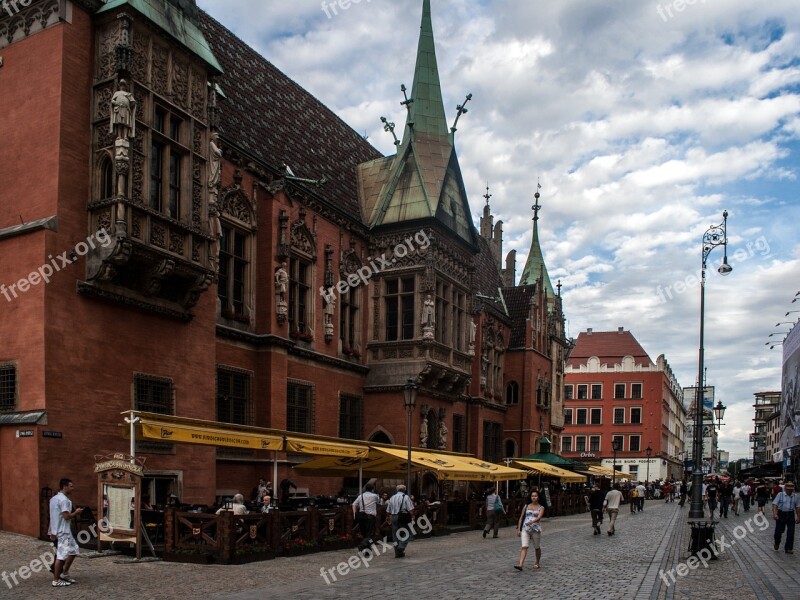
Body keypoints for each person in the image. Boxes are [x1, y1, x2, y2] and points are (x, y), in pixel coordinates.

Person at [48, 478, 83, 587]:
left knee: (74, 550)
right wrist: (76, 512)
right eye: (71, 486)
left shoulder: (53, 499)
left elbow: (53, 516)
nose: (72, 488)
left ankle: (64, 573)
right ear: (65, 486)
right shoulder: (65, 500)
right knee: (61, 556)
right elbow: (66, 516)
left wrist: (51, 531)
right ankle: (56, 580)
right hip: (63, 531)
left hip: (58, 530)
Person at [514, 490, 544, 570]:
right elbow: (521, 518)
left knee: (537, 547)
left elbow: (539, 517)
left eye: (535, 496)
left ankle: (537, 562)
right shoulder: (526, 506)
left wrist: (532, 521)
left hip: (535, 529)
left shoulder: (541, 507)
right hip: (525, 528)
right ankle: (520, 564)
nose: (534, 497)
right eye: (532, 496)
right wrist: (519, 529)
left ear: (538, 497)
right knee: (524, 546)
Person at [385, 484, 415, 558]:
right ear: (404, 490)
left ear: (397, 490)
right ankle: (401, 547)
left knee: (395, 534)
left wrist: (388, 517)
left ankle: (398, 553)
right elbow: (411, 509)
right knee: (408, 532)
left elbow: (388, 510)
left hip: (394, 516)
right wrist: (412, 517)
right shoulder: (406, 497)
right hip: (403, 516)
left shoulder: (392, 498)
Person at [772, 481, 800, 553]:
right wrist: (775, 514)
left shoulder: (795, 496)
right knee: (778, 531)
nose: (790, 491)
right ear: (785, 489)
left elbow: (797, 507)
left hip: (790, 514)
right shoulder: (780, 495)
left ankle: (788, 548)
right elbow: (775, 505)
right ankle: (777, 542)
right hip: (781, 513)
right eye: (788, 489)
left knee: (791, 531)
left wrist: (798, 517)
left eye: (791, 489)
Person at [353, 483, 380, 552]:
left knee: (364, 533)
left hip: (361, 515)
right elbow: (378, 502)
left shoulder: (360, 496)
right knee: (370, 534)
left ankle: (367, 550)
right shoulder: (375, 496)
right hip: (370, 516)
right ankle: (362, 545)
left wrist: (354, 513)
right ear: (372, 489)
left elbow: (354, 504)